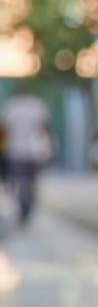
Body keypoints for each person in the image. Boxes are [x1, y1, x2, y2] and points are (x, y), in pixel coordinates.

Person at [1, 88, 53, 229]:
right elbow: (43, 129)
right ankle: (27, 205)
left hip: (16, 152)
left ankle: (24, 206)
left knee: (19, 181)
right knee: (30, 182)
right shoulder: (37, 105)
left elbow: (4, 129)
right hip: (32, 152)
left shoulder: (11, 106)